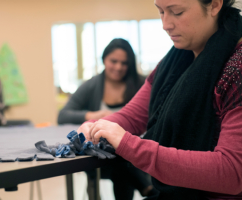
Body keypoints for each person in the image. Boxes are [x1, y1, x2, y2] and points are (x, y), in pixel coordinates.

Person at [78, 0, 242, 199]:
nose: (165, 24)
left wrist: (131, 145)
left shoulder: (237, 68)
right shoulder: (172, 63)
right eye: (161, 12)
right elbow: (132, 116)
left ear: (215, 5)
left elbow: (233, 172)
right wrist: (95, 126)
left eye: (177, 12)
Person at [58, 39, 157, 199]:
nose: (118, 67)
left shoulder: (141, 84)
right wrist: (92, 116)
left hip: (132, 151)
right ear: (104, 60)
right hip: (102, 156)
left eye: (124, 63)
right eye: (114, 61)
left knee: (124, 160)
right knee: (122, 162)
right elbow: (63, 115)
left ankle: (148, 188)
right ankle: (147, 188)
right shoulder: (92, 85)